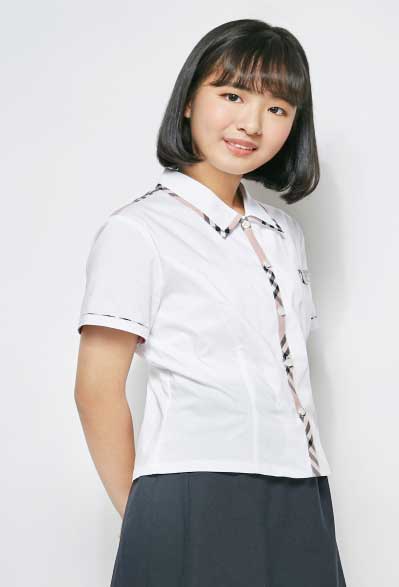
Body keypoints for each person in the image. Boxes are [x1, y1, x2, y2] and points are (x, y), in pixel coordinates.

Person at [74, 18, 347, 587]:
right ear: (188, 102)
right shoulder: (139, 230)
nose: (252, 123)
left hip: (302, 488)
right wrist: (145, 516)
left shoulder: (284, 234)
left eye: (278, 108)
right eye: (232, 95)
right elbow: (96, 389)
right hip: (194, 487)